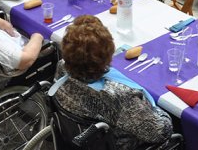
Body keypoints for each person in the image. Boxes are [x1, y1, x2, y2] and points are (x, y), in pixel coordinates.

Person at [50, 15, 173, 150]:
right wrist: (161, 111)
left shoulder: (62, 66)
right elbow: (160, 132)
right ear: (108, 55)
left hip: (79, 136)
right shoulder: (121, 96)